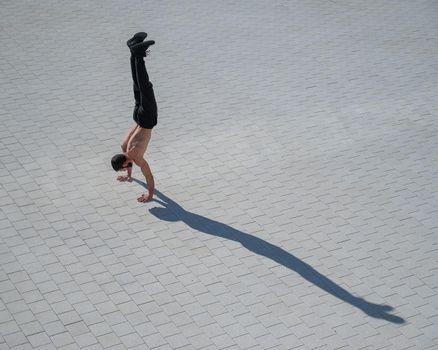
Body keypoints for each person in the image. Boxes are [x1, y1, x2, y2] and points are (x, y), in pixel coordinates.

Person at [111, 32, 157, 202]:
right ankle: (133, 49)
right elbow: (128, 160)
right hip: (137, 116)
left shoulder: (136, 156)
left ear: (124, 163)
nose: (126, 169)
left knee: (145, 86)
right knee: (137, 86)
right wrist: (129, 177)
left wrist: (150, 195)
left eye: (124, 169)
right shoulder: (124, 148)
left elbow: (149, 176)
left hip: (147, 120)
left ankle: (138, 54)